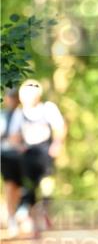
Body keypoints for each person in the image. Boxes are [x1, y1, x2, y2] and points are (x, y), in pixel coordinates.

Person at [11, 79, 66, 235]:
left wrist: (57, 144)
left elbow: (60, 127)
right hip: (28, 153)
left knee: (47, 185)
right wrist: (19, 146)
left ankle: (45, 213)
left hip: (45, 151)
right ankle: (35, 223)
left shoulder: (48, 109)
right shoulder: (19, 113)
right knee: (30, 189)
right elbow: (14, 135)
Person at [1, 88, 23, 236]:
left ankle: (16, 213)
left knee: (18, 187)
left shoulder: (23, 115)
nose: (12, 100)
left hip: (20, 156)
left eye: (14, 98)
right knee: (9, 184)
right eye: (10, 97)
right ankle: (11, 217)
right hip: (5, 154)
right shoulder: (2, 115)